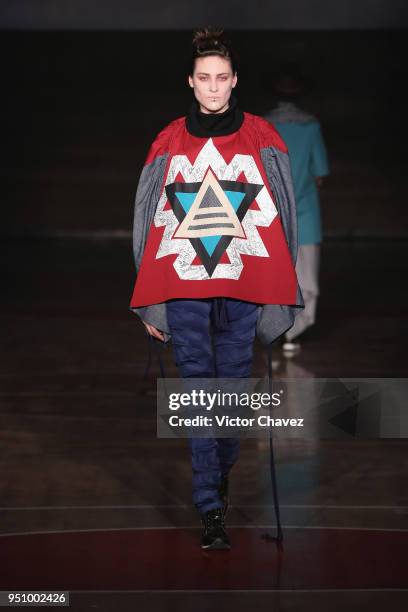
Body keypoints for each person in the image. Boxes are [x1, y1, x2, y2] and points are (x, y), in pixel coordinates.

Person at [129, 28, 303, 550]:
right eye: (203, 78)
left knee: (231, 392)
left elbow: (284, 212)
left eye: (221, 78)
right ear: (191, 81)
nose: (212, 87)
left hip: (244, 280)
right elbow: (147, 217)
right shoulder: (167, 140)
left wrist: (280, 282)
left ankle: (218, 477)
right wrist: (149, 299)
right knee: (198, 391)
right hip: (182, 281)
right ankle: (210, 505)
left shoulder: (263, 137)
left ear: (234, 81)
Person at [264, 66, 329, 354]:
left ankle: (276, 328)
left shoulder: (262, 126)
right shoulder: (311, 126)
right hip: (305, 210)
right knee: (305, 273)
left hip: (270, 209)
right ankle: (295, 332)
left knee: (273, 271)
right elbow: (320, 172)